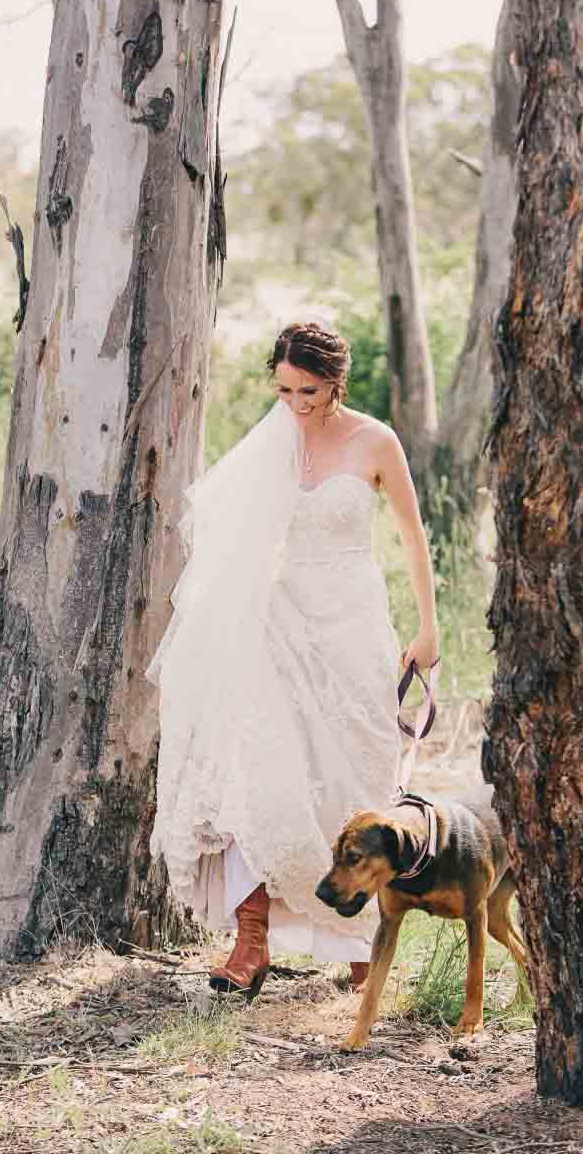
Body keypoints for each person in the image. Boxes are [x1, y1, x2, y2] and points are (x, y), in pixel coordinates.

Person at [147, 321, 440, 999]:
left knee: (358, 777)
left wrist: (428, 629)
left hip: (351, 623)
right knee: (259, 769)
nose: (296, 403)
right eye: (284, 389)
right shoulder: (271, 441)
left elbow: (412, 535)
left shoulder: (375, 441)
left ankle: (362, 943)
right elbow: (230, 536)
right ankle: (251, 942)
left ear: (336, 380)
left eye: (308, 390)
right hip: (280, 622)